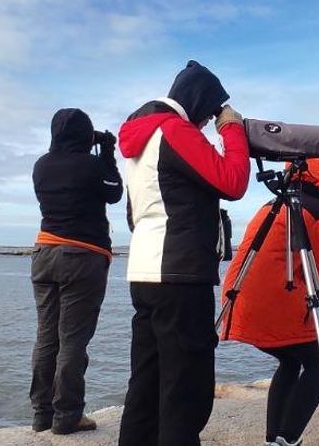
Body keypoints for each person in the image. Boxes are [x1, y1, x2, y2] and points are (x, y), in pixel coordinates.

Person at [116, 60, 251, 446]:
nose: (208, 124)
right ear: (198, 103)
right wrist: (232, 128)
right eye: (208, 114)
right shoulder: (173, 130)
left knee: (146, 381)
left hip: (144, 270)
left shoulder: (138, 140)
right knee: (185, 389)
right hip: (179, 273)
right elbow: (233, 180)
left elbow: (132, 213)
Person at [219, 158, 319, 446]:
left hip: (239, 300)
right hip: (273, 306)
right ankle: (288, 439)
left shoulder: (272, 205)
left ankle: (273, 439)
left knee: (290, 360)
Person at [29, 108, 123, 434]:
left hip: (44, 253)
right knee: (73, 341)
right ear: (86, 134)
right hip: (83, 257)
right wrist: (107, 151)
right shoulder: (93, 165)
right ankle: (67, 415)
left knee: (45, 338)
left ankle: (41, 414)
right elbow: (114, 192)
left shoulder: (41, 165)